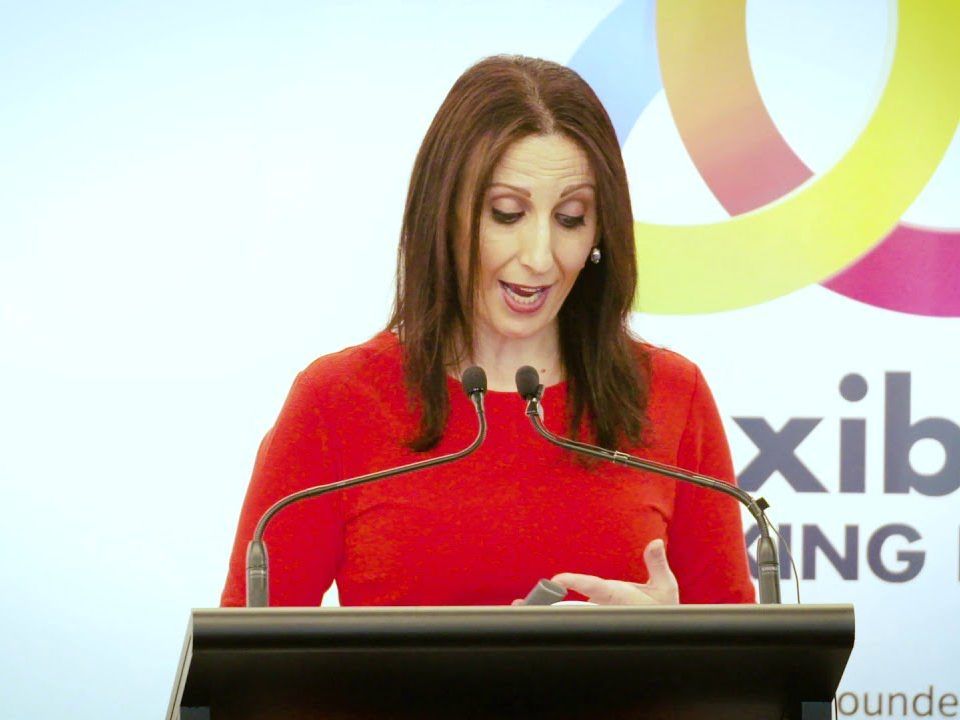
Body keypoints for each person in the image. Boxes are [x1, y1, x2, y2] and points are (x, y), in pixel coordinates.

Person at [221, 55, 755, 608]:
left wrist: (671, 651)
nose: (540, 257)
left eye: (571, 218)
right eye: (506, 214)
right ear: (443, 213)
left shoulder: (671, 395)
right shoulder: (336, 400)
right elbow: (249, 675)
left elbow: (748, 681)